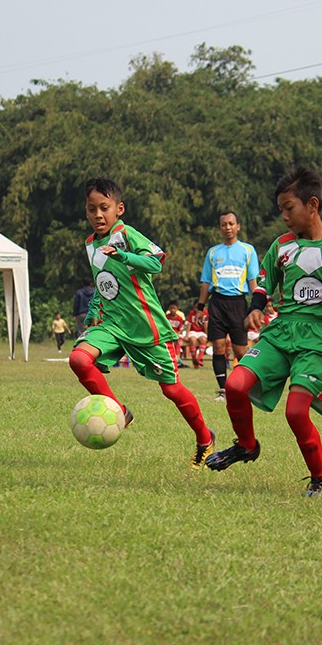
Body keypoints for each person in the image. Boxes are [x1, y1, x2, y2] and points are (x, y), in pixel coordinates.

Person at [205, 166, 322, 497]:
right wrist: (255, 308)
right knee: (235, 385)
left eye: (288, 208)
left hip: (318, 338)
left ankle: (321, 478)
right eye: (281, 209)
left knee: (295, 412)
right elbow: (264, 285)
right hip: (281, 331)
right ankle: (246, 445)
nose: (283, 216)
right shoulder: (281, 246)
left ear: (313, 205)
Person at [68, 177, 215, 469]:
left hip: (147, 329)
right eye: (92, 209)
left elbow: (156, 262)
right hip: (112, 325)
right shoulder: (91, 244)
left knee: (171, 390)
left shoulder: (126, 235)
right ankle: (120, 412)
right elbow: (102, 284)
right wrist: (94, 311)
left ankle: (204, 438)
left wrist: (123, 255)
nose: (98, 214)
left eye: (104, 208)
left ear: (119, 209)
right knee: (79, 360)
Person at [197, 211, 260, 401]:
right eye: (224, 224)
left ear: (238, 226)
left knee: (240, 350)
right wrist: (200, 307)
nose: (228, 228)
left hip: (238, 303)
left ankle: (249, 387)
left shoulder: (248, 250)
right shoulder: (213, 252)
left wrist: (256, 306)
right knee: (218, 346)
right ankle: (223, 391)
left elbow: (253, 280)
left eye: (231, 224)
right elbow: (206, 282)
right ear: (220, 228)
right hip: (217, 303)